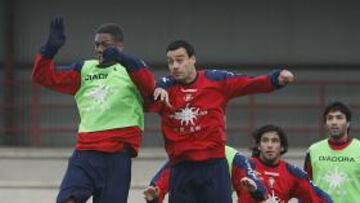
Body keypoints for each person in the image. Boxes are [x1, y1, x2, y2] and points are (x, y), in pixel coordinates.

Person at [148, 39, 295, 203]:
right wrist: (157, 86)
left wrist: (275, 79)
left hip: (214, 169)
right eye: (170, 62)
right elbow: (138, 96)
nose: (174, 66)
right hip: (181, 170)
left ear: (193, 59)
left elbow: (248, 83)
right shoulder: (164, 91)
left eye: (180, 60)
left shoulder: (216, 80)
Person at [32, 17, 155, 203]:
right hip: (85, 153)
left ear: (120, 46)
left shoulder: (133, 69)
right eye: (96, 44)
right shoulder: (83, 69)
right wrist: (49, 49)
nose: (99, 49)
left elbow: (149, 88)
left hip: (118, 157)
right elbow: (42, 77)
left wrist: (121, 59)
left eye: (105, 44)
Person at [239, 124, 333, 203]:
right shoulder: (244, 165)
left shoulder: (293, 172)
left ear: (282, 147)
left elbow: (320, 197)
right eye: (265, 140)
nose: (270, 145)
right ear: (259, 146)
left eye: (274, 141)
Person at [143, 146, 268, 203]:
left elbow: (259, 191)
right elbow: (157, 187)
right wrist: (154, 198)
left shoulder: (235, 158)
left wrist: (255, 189)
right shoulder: (181, 156)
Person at [304, 101, 360, 202]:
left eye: (339, 117)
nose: (334, 122)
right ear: (326, 123)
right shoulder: (313, 150)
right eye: (330, 118)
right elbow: (304, 187)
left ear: (348, 123)